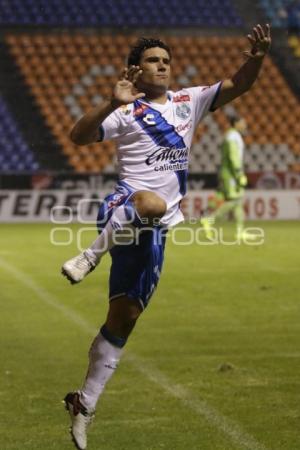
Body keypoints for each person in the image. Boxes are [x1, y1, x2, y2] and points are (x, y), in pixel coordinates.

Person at [62, 25, 271, 450]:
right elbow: (78, 137)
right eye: (154, 60)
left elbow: (240, 84)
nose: (163, 66)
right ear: (136, 70)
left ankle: (83, 405)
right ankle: (89, 255)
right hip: (127, 206)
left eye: (166, 61)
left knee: (126, 318)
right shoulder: (125, 111)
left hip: (155, 232)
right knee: (152, 202)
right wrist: (109, 103)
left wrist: (257, 58)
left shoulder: (188, 101)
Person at [200, 114, 252, 240]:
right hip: (231, 174)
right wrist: (239, 174)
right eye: (242, 122)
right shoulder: (232, 136)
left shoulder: (233, 135)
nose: (245, 125)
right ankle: (208, 220)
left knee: (237, 201)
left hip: (229, 172)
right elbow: (233, 156)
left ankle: (240, 232)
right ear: (236, 123)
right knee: (235, 200)